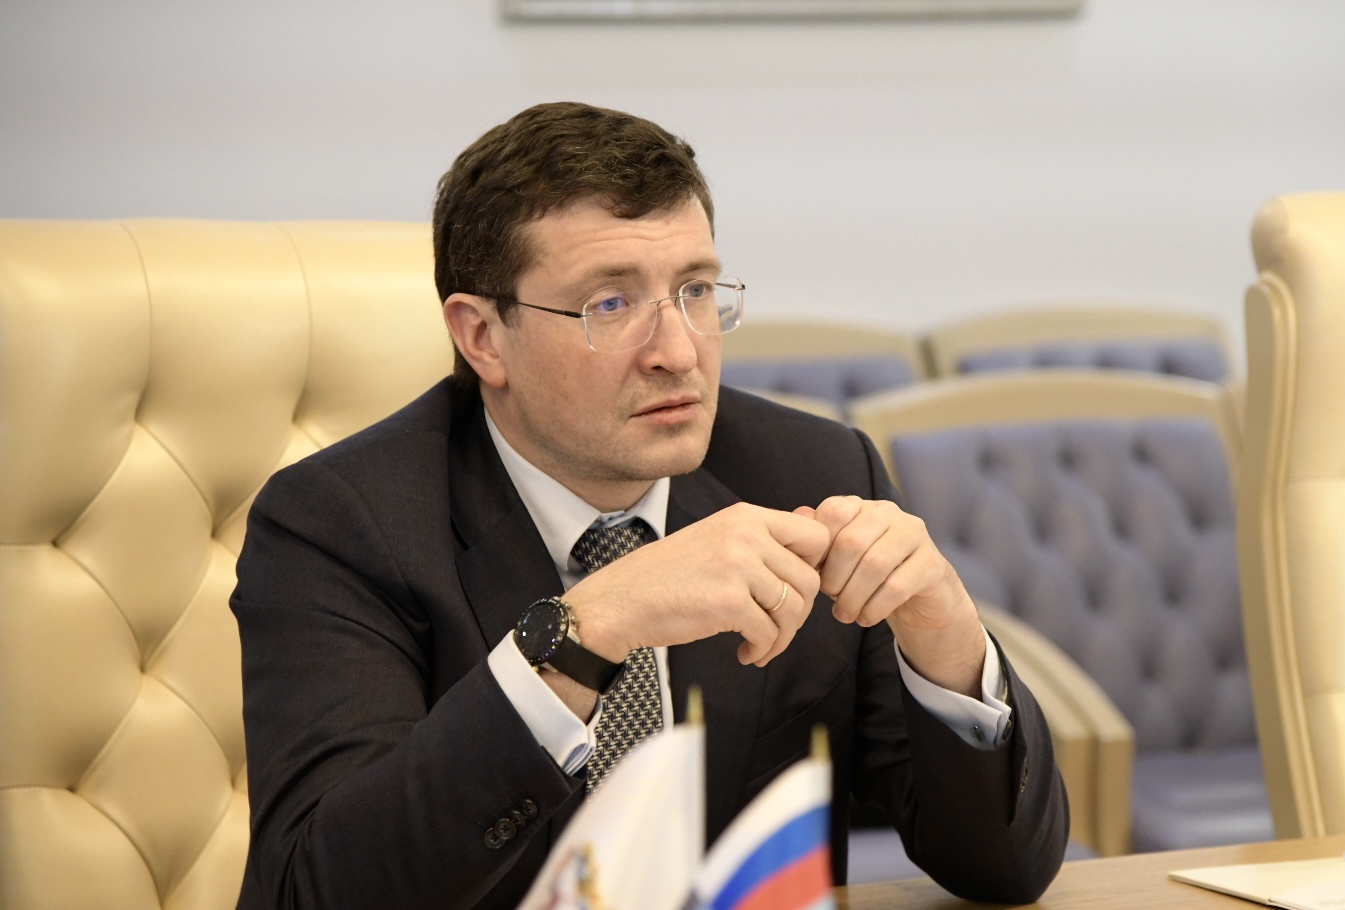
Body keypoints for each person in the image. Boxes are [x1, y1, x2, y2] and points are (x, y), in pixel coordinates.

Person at [230, 101, 1068, 910]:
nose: (677, 352)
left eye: (695, 290)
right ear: (482, 336)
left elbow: (1002, 871)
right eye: (610, 303)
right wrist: (585, 631)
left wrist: (950, 642)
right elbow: (320, 889)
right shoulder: (341, 523)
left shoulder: (811, 471)